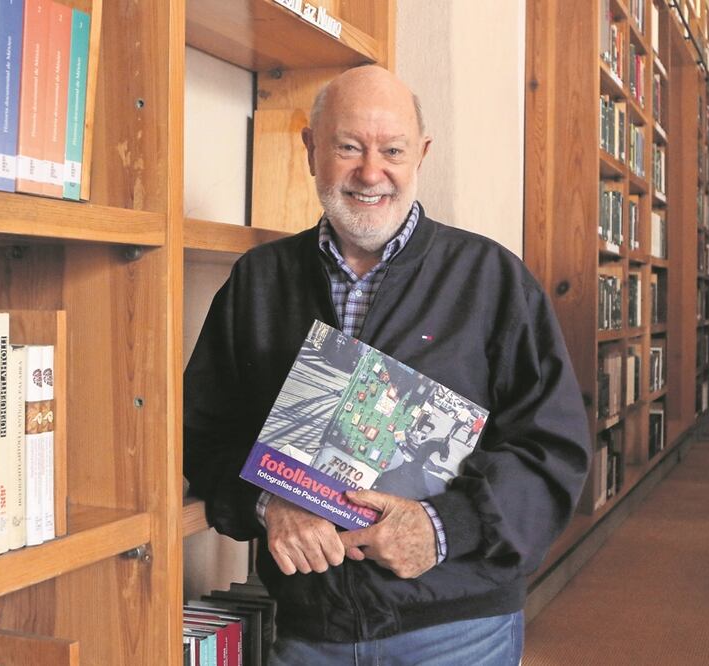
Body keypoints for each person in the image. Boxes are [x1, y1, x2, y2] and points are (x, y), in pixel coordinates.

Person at [183, 65, 590, 665]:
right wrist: (269, 504)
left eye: (392, 150)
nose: (371, 173)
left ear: (420, 153)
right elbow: (204, 437)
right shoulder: (258, 281)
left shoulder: (491, 278)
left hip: (457, 626)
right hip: (308, 627)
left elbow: (553, 449)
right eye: (348, 147)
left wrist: (444, 526)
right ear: (311, 148)